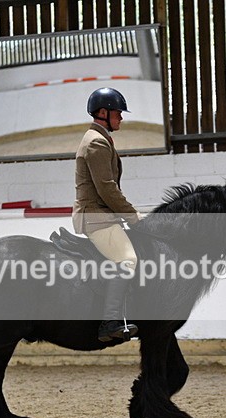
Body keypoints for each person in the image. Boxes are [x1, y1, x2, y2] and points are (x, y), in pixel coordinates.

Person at [72, 87, 141, 342]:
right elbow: (107, 189)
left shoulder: (99, 138)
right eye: (118, 113)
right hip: (95, 217)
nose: (121, 117)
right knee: (127, 260)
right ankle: (110, 321)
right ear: (103, 113)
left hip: (102, 215)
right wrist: (133, 216)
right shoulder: (96, 142)